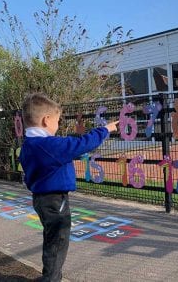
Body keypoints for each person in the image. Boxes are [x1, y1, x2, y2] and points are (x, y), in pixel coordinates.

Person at [19, 93, 118, 282]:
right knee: (57, 241)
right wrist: (105, 130)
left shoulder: (29, 145)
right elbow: (81, 143)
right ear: (46, 120)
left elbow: (52, 162)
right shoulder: (48, 144)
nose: (57, 126)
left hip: (41, 199)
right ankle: (51, 279)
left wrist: (71, 156)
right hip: (55, 200)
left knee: (52, 238)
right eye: (57, 121)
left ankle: (51, 276)